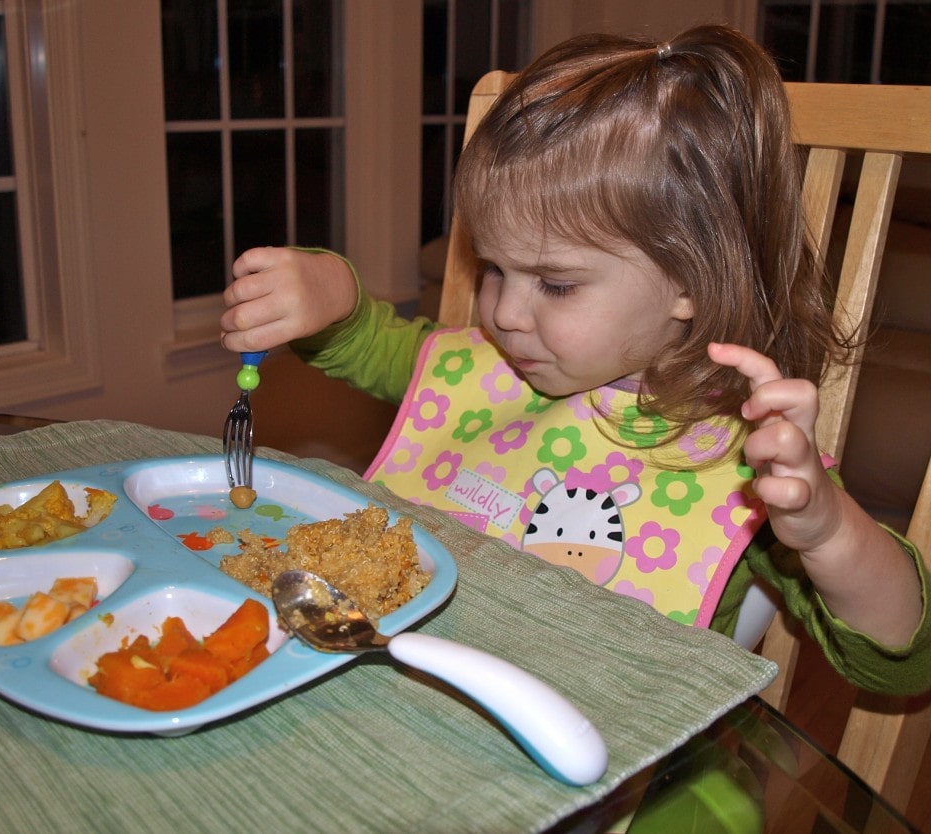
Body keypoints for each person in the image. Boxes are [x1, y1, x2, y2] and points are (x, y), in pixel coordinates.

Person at [220, 25, 931, 696]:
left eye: (556, 284)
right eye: (493, 268)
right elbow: (369, 343)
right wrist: (335, 294)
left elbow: (899, 657)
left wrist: (828, 531)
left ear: (691, 280)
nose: (503, 313)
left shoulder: (749, 463)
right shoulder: (490, 366)